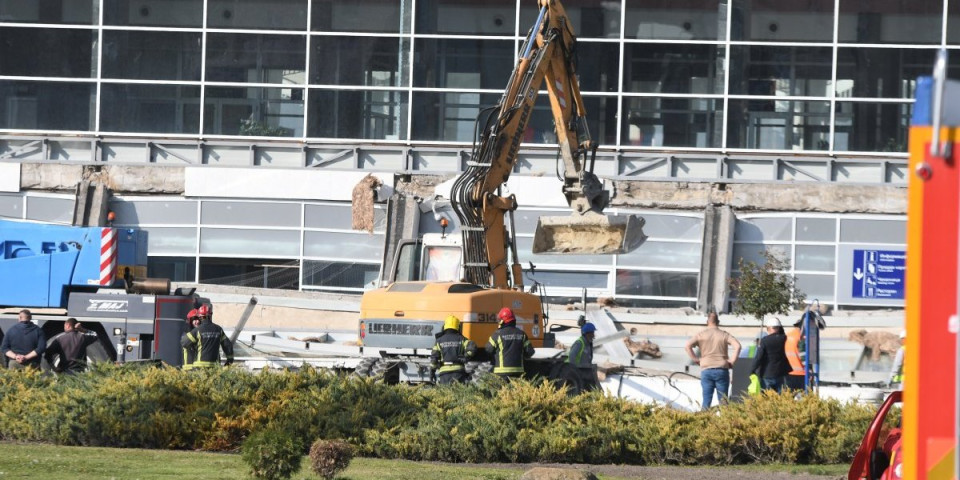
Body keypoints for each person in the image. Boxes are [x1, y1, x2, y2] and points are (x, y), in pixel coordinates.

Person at [685, 312, 742, 409]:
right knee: (724, 402)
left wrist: (696, 360)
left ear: (707, 322)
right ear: (718, 322)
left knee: (706, 400)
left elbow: (687, 346)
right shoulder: (724, 335)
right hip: (721, 370)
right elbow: (738, 346)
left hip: (706, 370)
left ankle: (704, 422)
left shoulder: (701, 335)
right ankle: (724, 422)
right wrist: (732, 361)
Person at [485, 307, 534, 380]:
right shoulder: (522, 334)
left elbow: (488, 349)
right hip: (518, 373)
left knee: (502, 391)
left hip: (501, 373)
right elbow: (530, 352)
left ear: (502, 321)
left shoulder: (497, 334)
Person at [183, 304, 234, 368]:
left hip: (199, 368)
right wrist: (230, 360)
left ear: (200, 317)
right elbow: (227, 345)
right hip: (201, 368)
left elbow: (227, 345)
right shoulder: (217, 329)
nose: (197, 322)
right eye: (194, 319)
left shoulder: (197, 331)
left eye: (197, 319)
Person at [430, 315, 477, 384]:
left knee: (446, 394)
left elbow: (434, 358)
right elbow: (472, 346)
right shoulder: (462, 339)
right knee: (458, 394)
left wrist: (432, 372)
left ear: (445, 326)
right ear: (458, 326)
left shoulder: (439, 340)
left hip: (444, 373)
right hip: (458, 372)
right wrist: (465, 357)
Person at [752, 318, 791, 392]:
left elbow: (759, 357)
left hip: (767, 374)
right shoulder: (784, 339)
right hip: (781, 373)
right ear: (779, 328)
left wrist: (752, 370)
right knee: (780, 397)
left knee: (767, 397)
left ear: (768, 328)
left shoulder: (765, 340)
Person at [565, 322, 600, 393]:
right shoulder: (579, 343)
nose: (593, 335)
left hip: (584, 369)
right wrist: (574, 371)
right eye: (592, 332)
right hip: (577, 370)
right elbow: (572, 357)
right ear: (587, 333)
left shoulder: (589, 343)